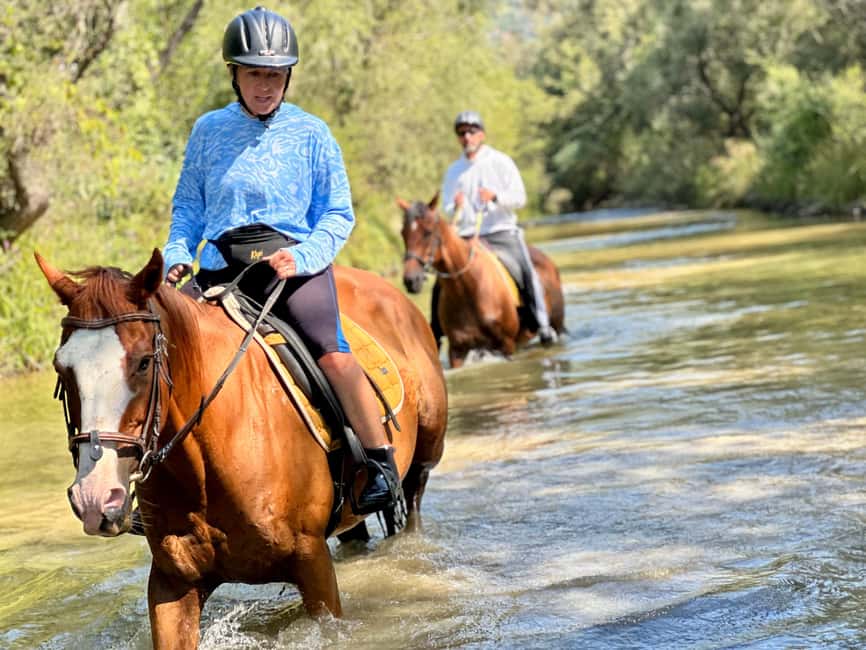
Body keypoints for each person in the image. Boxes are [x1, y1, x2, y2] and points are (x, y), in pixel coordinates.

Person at [161, 6, 400, 524]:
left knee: (332, 353)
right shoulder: (207, 132)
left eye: (273, 75)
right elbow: (188, 209)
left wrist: (306, 255)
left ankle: (379, 466)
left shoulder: (312, 134)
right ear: (235, 75)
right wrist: (179, 255)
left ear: (287, 76)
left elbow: (337, 213)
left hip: (292, 264)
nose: (264, 85)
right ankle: (155, 482)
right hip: (222, 265)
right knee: (161, 350)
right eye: (254, 74)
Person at [435, 109, 557, 347]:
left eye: (472, 131)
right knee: (443, 277)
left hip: (500, 231)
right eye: (461, 133)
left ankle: (542, 323)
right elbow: (447, 207)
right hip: (467, 235)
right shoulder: (453, 171)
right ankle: (435, 331)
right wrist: (454, 205)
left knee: (526, 271)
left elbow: (519, 198)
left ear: (482, 134)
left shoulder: (501, 162)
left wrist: (496, 197)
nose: (467, 137)